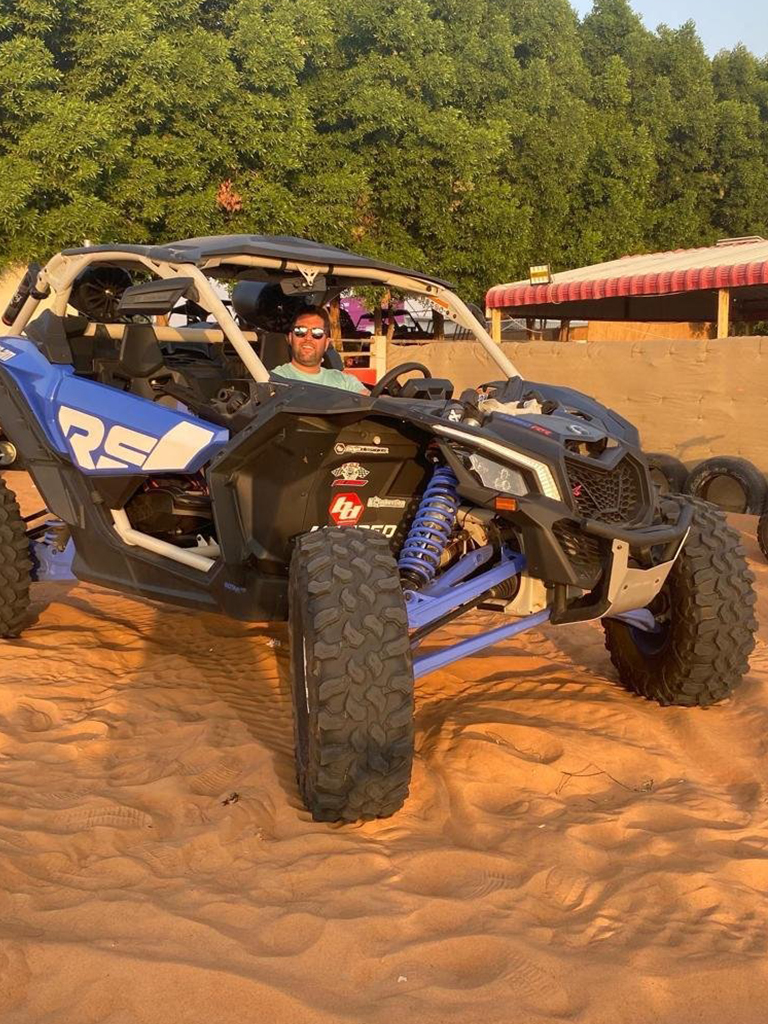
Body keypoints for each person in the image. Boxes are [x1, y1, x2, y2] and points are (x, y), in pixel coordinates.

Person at [272, 307, 368, 393]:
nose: (308, 338)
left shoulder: (346, 382)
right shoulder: (273, 380)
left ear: (326, 343)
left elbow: (368, 401)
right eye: (300, 331)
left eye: (317, 333)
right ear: (290, 338)